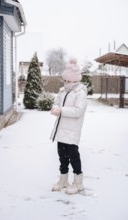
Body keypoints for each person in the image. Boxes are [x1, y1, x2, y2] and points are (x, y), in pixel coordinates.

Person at [50, 58, 87, 195]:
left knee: (73, 157)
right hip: (60, 130)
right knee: (62, 157)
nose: (66, 83)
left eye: (69, 81)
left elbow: (78, 111)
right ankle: (63, 180)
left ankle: (78, 183)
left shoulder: (80, 93)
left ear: (76, 80)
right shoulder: (62, 91)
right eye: (65, 80)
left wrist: (62, 110)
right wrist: (55, 108)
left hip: (72, 131)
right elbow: (56, 102)